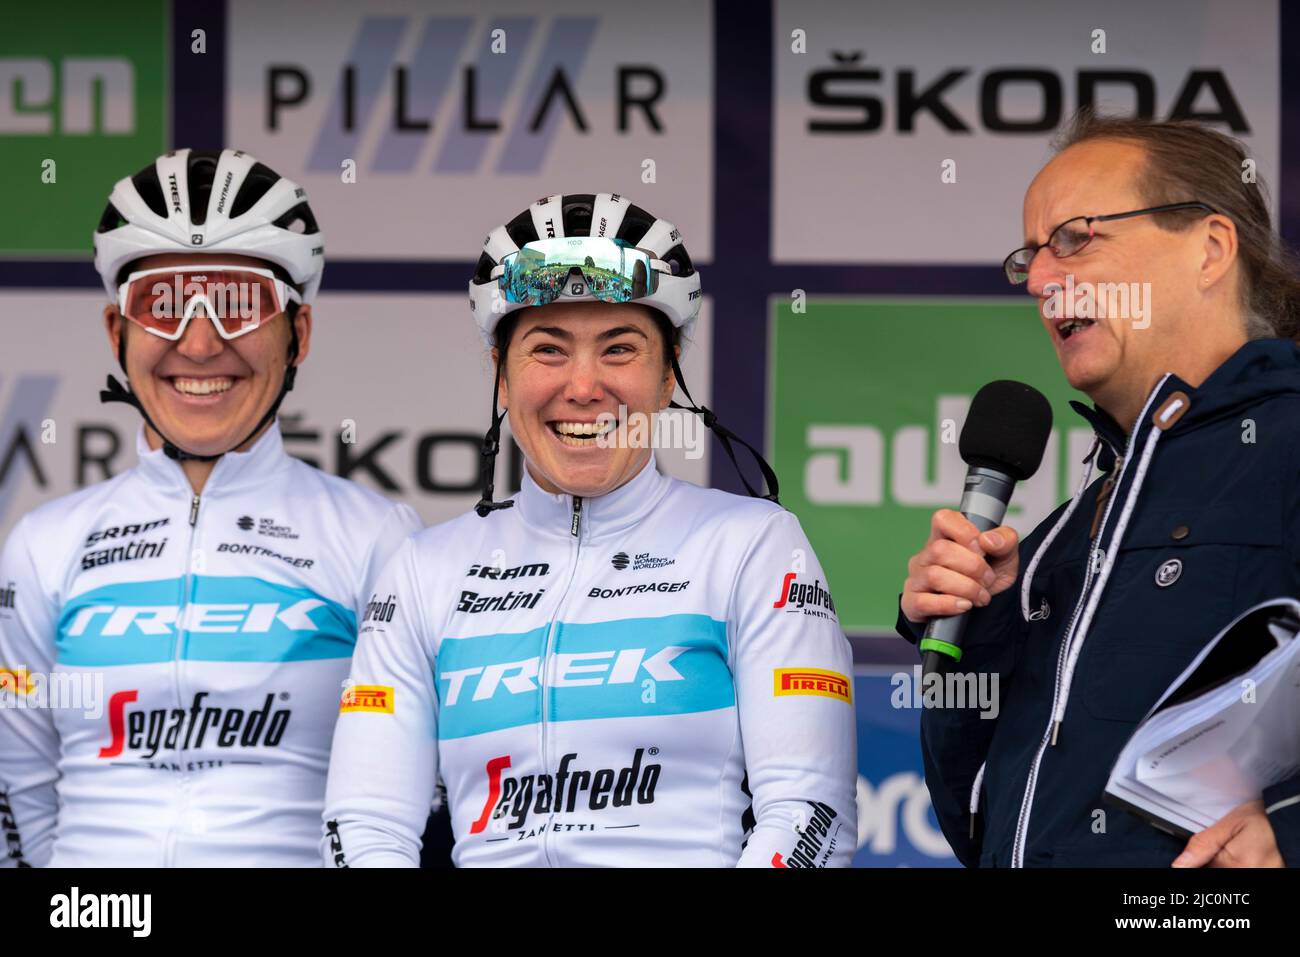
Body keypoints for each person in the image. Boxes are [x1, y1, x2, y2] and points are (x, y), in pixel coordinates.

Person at [322, 192, 857, 867]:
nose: (583, 386)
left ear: (668, 375)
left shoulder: (752, 546)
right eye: (548, 348)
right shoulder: (423, 571)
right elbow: (366, 828)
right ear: (501, 376)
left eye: (619, 348)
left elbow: (812, 815)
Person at [898, 112, 1300, 867]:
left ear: (1210, 249)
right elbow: (973, 812)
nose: (1043, 279)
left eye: (1076, 238)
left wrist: (1290, 828)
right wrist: (975, 631)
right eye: (1032, 258)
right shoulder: (1062, 533)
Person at [0, 149, 421, 867]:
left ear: (300, 335)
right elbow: (20, 795)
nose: (199, 343)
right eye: (162, 304)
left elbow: (398, 800)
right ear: (116, 333)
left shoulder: (376, 536)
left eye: (237, 302)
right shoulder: (44, 543)